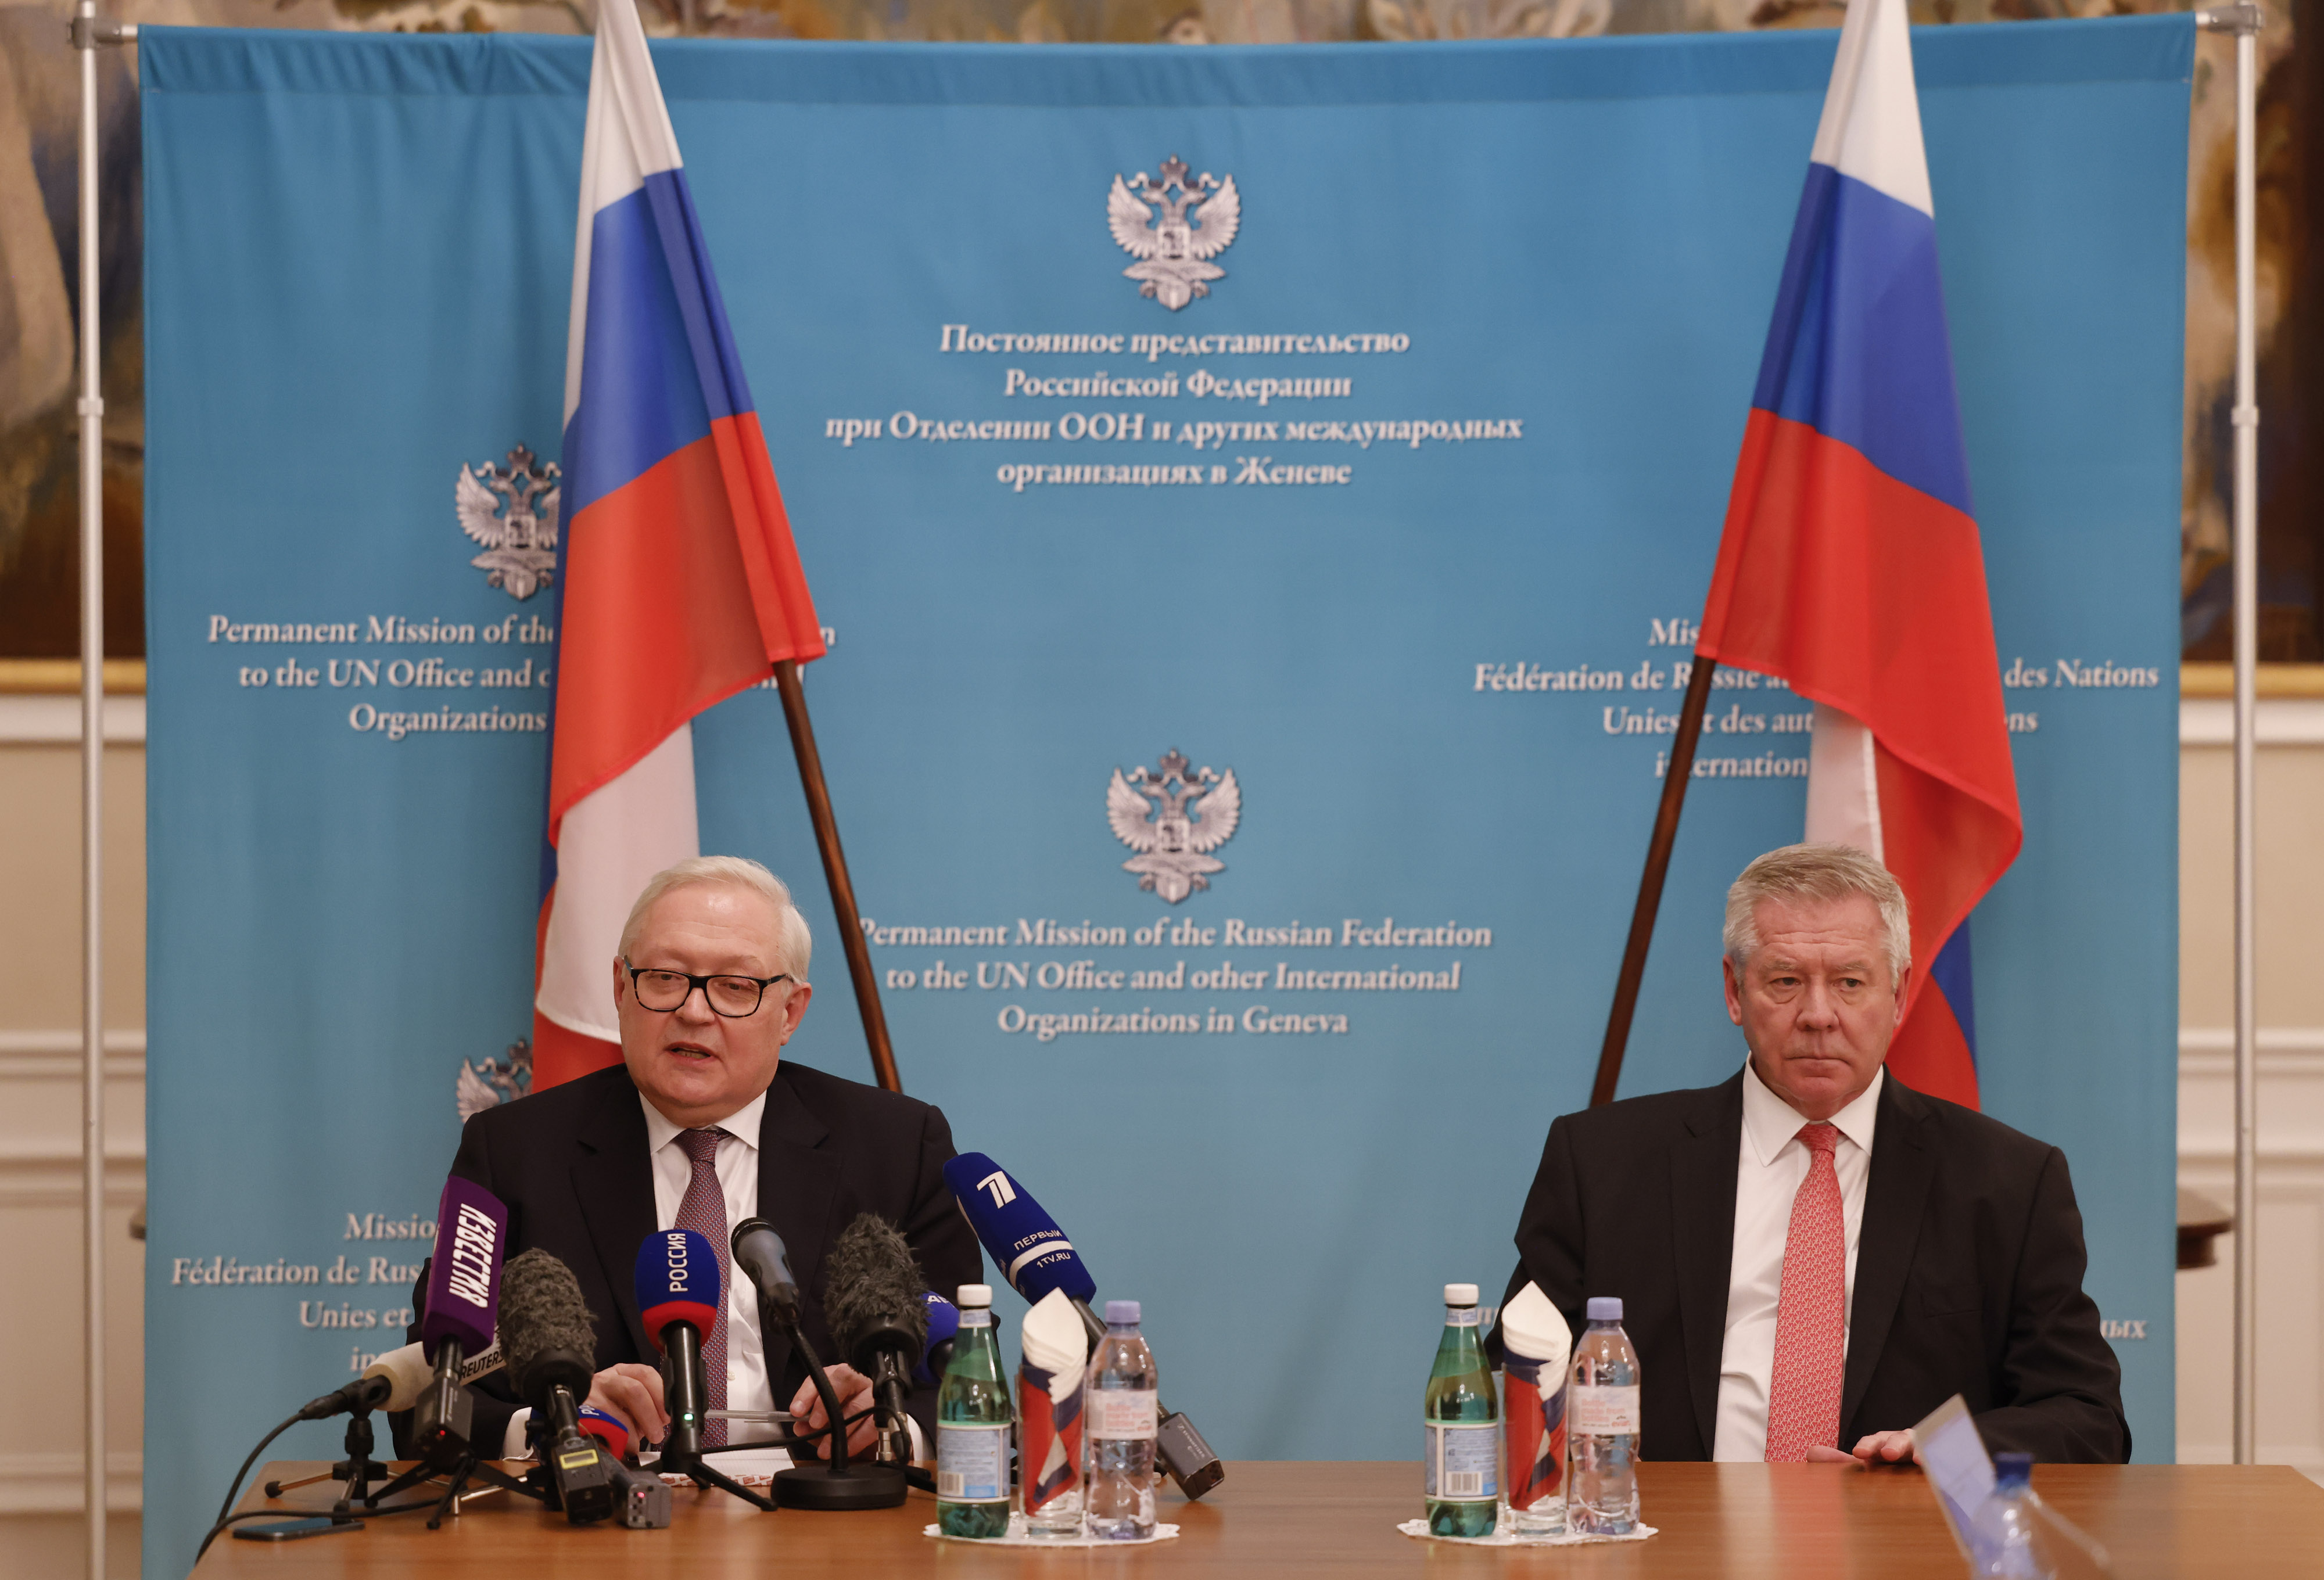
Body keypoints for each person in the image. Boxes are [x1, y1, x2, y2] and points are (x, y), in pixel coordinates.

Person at [1499, 843, 2128, 1465]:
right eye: (1785, 981)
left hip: (1902, 1549)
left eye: (1850, 982)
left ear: (1900, 993)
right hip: (1668, 1542)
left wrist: (1946, 1452)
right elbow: (1516, 1375)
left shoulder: (2008, 1182)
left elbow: (2086, 1414)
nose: (1818, 1015)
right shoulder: (1601, 1162)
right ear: (1734, 990)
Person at [394, 856, 981, 1463]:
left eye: (736, 986)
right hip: (598, 1526)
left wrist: (889, 1426)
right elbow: (428, 1397)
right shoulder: (514, 1152)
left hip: (824, 1519)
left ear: (790, 1012)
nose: (694, 1010)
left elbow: (968, 1385)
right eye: (666, 977)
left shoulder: (896, 1146)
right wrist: (554, 1424)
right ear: (622, 989)